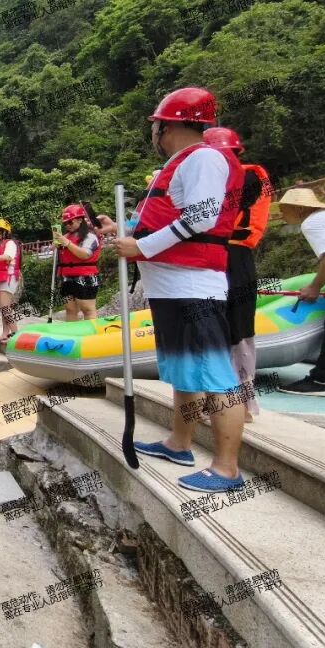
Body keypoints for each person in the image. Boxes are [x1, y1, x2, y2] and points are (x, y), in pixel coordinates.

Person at [97, 86, 246, 493]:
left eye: (155, 126)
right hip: (170, 287)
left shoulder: (203, 158)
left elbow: (202, 216)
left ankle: (227, 469)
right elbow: (166, 219)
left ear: (167, 126)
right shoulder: (181, 163)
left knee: (214, 374)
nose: (153, 133)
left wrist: (141, 247)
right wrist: (123, 230)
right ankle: (179, 444)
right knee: (184, 371)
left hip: (192, 286)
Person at [203, 126, 273, 419]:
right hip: (215, 257)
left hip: (234, 257)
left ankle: (241, 403)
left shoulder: (248, 178)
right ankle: (218, 398)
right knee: (215, 328)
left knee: (238, 330)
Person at [276, 188, 325, 395]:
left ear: (298, 208)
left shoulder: (312, 222)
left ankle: (321, 380)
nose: (281, 213)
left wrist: (314, 287)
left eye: (284, 209)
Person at [54, 204, 102, 322]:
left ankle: (92, 332)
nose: (67, 225)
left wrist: (67, 243)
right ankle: (72, 331)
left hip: (86, 276)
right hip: (66, 277)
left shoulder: (90, 237)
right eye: (65, 223)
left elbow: (85, 255)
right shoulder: (65, 237)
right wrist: (56, 245)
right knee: (70, 309)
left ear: (80, 220)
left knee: (87, 309)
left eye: (70, 222)